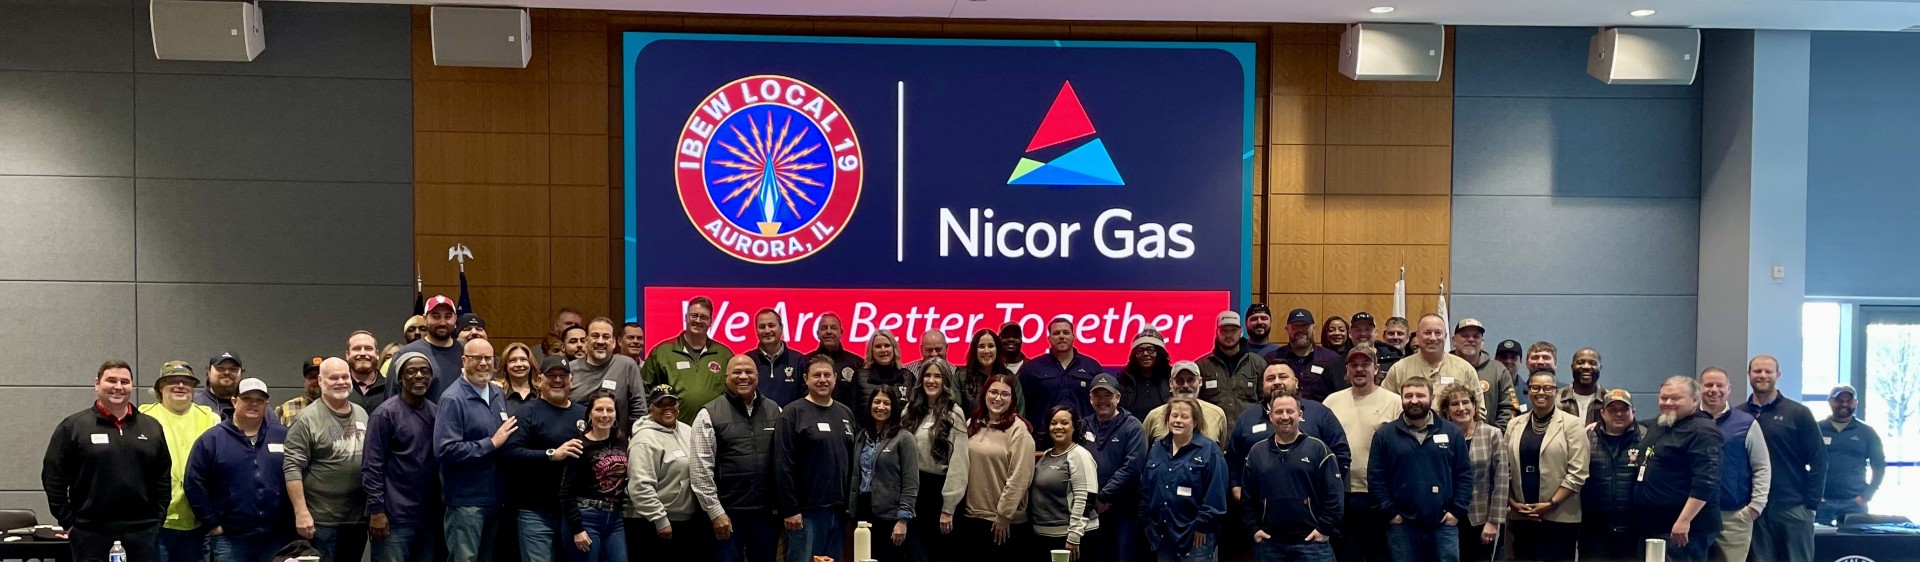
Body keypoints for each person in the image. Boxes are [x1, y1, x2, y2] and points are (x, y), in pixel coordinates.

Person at [44, 361, 173, 562]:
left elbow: (163, 477)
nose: (118, 387)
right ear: (97, 384)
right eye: (111, 380)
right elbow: (53, 478)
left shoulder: (151, 427)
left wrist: (158, 519)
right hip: (90, 534)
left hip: (143, 533)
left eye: (125, 382)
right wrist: (69, 523)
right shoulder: (73, 426)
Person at [186, 378, 292, 562]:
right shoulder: (212, 439)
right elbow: (194, 483)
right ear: (234, 401)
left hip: (276, 539)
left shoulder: (282, 435)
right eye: (247, 398)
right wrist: (212, 524)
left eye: (259, 400)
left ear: (266, 404)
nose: (254, 404)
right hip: (230, 540)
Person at [691, 355, 782, 562]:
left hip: (766, 515)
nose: (743, 377)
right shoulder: (708, 414)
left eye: (749, 372)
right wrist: (716, 512)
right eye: (737, 372)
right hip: (727, 514)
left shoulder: (775, 411)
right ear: (726, 377)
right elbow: (700, 471)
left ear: (757, 376)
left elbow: (783, 463)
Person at [1369, 377, 1470, 562]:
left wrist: (1457, 511)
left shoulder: (1452, 432)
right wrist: (1391, 513)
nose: (1414, 400)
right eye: (1408, 396)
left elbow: (1464, 475)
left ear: (1432, 397)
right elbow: (1376, 478)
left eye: (1420, 395)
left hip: (1444, 524)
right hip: (1401, 525)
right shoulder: (1385, 435)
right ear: (1401, 398)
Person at [436, 338, 515, 562]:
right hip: (466, 502)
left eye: (488, 358)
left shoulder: (497, 393)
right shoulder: (452, 399)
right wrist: (491, 443)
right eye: (476, 358)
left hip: (495, 497)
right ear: (464, 360)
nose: (483, 363)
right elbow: (445, 450)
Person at [1740, 354, 1825, 562]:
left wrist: (1811, 505)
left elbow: (1819, 460)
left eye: (1768, 371)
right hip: (1753, 509)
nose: (1762, 375)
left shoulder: (1798, 413)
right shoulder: (1739, 415)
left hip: (1792, 507)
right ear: (1749, 374)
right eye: (1757, 371)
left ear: (1778, 374)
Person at [284, 358, 371, 562]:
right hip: (322, 521)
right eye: (334, 378)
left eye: (345, 376)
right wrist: (301, 512)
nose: (341, 382)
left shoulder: (361, 413)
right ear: (321, 381)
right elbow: (292, 467)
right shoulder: (307, 419)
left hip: (357, 518)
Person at [1228, 364, 1350, 509]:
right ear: (1262, 386)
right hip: (1260, 508)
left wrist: (1328, 490)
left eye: (1283, 377)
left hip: (1311, 508)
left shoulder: (1320, 413)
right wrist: (1236, 488)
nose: (1277, 382)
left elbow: (1340, 454)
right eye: (1270, 378)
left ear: (1296, 382)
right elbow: (1233, 459)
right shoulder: (1248, 417)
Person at [503, 356, 588, 562]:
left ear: (571, 380)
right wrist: (551, 454)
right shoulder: (527, 413)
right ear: (540, 380)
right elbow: (509, 453)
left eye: (563, 375)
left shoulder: (584, 413)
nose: (557, 380)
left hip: (575, 513)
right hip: (535, 510)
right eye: (551, 375)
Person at [774, 357, 859, 561]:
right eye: (816, 375)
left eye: (827, 375)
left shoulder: (845, 413)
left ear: (835, 378)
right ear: (806, 379)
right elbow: (782, 465)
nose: (822, 380)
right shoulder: (792, 413)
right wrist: (791, 509)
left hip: (839, 512)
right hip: (805, 514)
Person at [1240, 394, 1342, 562]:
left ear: (1300, 415)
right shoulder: (1256, 452)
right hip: (1268, 544)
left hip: (1312, 544)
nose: (1285, 416)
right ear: (1270, 416)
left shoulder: (1319, 450)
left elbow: (1334, 496)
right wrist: (1253, 529)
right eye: (1279, 412)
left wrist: (1324, 529)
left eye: (1290, 411)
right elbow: (1247, 497)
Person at [1322, 346, 1399, 562]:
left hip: (1379, 494)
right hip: (1342, 493)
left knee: (1380, 554)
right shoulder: (1331, 402)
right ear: (1346, 370)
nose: (1359, 369)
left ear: (1376, 368)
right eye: (1353, 365)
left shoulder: (1394, 402)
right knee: (1347, 555)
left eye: (1365, 364)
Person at [1634, 376, 1723, 562]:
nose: (1668, 403)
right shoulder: (1663, 424)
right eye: (1664, 398)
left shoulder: (1703, 431)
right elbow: (1634, 424)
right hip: (1654, 526)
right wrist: (1599, 425)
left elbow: (1706, 482)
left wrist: (1684, 520)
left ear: (1695, 400)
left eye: (1675, 398)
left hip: (1684, 531)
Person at [1503, 371, 1588, 562]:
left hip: (1560, 516)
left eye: (1548, 388)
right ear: (1528, 391)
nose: (1541, 392)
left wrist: (1550, 504)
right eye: (1535, 387)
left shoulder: (1572, 425)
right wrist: (1512, 502)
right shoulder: (1514, 424)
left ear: (1556, 392)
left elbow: (1578, 473)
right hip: (1522, 515)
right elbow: (1504, 468)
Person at [365, 352, 442, 562]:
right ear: (400, 378)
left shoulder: (436, 413)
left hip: (428, 517)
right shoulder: (384, 414)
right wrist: (377, 511)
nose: (419, 376)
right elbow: (372, 466)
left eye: (424, 371)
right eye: (411, 371)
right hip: (393, 517)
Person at [142, 361, 221, 562]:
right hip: (157, 522)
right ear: (160, 387)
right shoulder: (143, 417)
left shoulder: (210, 418)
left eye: (186, 381)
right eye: (172, 381)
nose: (180, 385)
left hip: (198, 522)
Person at [629, 384, 716, 561]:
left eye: (672, 403)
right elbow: (640, 486)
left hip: (687, 520)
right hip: (656, 523)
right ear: (650, 408)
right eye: (660, 404)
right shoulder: (644, 440)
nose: (667, 408)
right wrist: (660, 519)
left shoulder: (687, 430)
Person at [1141, 397, 1229, 562]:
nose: (1178, 421)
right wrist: (1147, 523)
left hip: (1195, 536)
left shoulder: (1209, 450)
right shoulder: (1158, 448)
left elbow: (1216, 494)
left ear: (1195, 422)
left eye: (1184, 416)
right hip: (1163, 535)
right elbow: (1146, 487)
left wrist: (1202, 525)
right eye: (1174, 416)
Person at [1698, 366, 1771, 562]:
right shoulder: (1688, 420)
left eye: (1720, 385)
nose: (1714, 390)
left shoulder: (1746, 423)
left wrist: (1754, 508)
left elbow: (1762, 467)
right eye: (1709, 385)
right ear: (1699, 388)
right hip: (1693, 516)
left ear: (1729, 389)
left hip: (1733, 517)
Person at [960, 374, 1034, 562]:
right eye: (993, 392)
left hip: (1002, 523)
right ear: (985, 394)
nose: (998, 398)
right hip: (972, 516)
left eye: (1005, 394)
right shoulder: (972, 424)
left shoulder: (1019, 431)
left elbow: (1020, 477)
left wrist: (1004, 514)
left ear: (1012, 399)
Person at [900, 361, 969, 562]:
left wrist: (948, 507)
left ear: (945, 381)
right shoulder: (909, 412)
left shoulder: (954, 414)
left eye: (937, 376)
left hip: (940, 492)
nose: (931, 380)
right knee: (915, 554)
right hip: (913, 492)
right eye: (927, 375)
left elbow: (959, 464)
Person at [1079, 374, 1147, 562]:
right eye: (1097, 396)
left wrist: (1105, 496)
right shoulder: (1083, 425)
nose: (1102, 401)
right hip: (1091, 510)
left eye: (1107, 395)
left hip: (1123, 510)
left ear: (1117, 398)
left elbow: (1132, 467)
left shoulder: (1133, 426)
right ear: (1090, 399)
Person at [1436, 383, 1506, 562]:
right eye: (1454, 404)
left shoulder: (1492, 434)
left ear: (1475, 406)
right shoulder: (1439, 435)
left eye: (1466, 402)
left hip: (1481, 518)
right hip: (1447, 517)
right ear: (1446, 410)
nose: (1461, 408)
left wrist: (1493, 521)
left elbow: (1502, 480)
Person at [562, 391, 629, 562]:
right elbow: (566, 491)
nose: (605, 415)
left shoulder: (623, 443)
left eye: (610, 410)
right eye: (599, 410)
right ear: (590, 415)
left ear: (616, 415)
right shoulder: (579, 446)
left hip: (615, 518)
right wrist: (577, 529)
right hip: (586, 517)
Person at [857, 389, 921, 562]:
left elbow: (911, 482)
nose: (881, 407)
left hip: (891, 517)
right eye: (876, 402)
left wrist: (903, 520)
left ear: (894, 408)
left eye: (886, 403)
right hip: (863, 513)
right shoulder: (862, 436)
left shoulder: (904, 438)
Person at [1581, 389, 1645, 562]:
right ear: (1602, 413)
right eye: (1612, 409)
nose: (1618, 414)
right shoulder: (1586, 437)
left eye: (1624, 409)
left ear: (1633, 412)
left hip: (1634, 533)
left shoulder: (1646, 438)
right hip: (1594, 533)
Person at [1019, 317, 1105, 445]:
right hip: (1043, 441)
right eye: (1056, 333)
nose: (1061, 336)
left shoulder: (1092, 367)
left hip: (1084, 440)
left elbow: (1102, 403)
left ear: (1073, 336)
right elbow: (1021, 407)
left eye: (1066, 332)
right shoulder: (1032, 368)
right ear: (1049, 338)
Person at [642, 296, 733, 414]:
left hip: (715, 424)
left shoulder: (724, 354)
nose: (698, 320)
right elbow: (644, 391)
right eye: (694, 316)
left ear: (711, 322)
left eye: (704, 317)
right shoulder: (662, 352)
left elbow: (734, 392)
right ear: (686, 317)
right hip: (672, 424)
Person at [1030, 405, 1097, 560]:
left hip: (1069, 538)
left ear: (1074, 427)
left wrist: (1074, 536)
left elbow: (1086, 498)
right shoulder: (1046, 455)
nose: (1058, 427)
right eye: (1053, 423)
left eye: (1064, 423)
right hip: (1043, 534)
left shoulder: (1080, 455)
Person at [1818, 385, 1885, 526]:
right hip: (1821, 503)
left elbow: (1879, 465)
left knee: (1854, 540)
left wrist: (1866, 495)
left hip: (1855, 503)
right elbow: (1800, 462)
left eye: (1848, 400)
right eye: (1839, 400)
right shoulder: (1816, 429)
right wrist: (1812, 493)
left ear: (1856, 403)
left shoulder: (1867, 432)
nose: (1844, 404)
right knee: (1820, 540)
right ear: (1830, 401)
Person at [1382, 315, 1477, 413]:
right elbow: (1385, 407)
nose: (1433, 338)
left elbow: (1478, 410)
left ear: (1445, 336)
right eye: (1427, 333)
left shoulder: (1465, 369)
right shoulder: (1399, 369)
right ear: (1417, 336)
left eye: (1438, 333)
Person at [572, 318, 647, 434]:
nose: (600, 341)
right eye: (595, 336)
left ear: (614, 342)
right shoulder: (570, 369)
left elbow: (639, 409)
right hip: (576, 440)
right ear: (586, 341)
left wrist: (635, 438)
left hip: (617, 441)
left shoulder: (626, 366)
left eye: (606, 337)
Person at [1198, 311, 1267, 426]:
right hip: (1213, 432)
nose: (1229, 335)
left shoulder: (1258, 364)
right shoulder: (1202, 366)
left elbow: (1265, 402)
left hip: (1248, 431)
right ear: (1216, 332)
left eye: (1233, 330)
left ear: (1241, 332)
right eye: (1224, 331)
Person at [391, 296, 464, 400]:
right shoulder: (406, 353)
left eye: (448, 316)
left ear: (455, 319)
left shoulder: (466, 351)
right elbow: (391, 399)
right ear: (425, 319)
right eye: (436, 316)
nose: (442, 322)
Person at [1265, 309, 1346, 402]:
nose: (1300, 330)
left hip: (1320, 410)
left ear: (1314, 328)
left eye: (1305, 326)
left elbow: (1339, 393)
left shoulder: (1331, 358)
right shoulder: (1272, 358)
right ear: (1287, 329)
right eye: (1295, 326)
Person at [1449, 319, 1518, 428]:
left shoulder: (1498, 370)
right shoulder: (1443, 368)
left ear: (1482, 342)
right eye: (1465, 336)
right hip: (1448, 435)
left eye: (1476, 336)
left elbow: (1509, 408)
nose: (1471, 339)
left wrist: (1496, 434)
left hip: (1488, 436)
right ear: (1454, 341)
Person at [1144, 362, 1230, 444]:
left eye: (1191, 380)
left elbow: (1220, 450)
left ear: (1200, 382)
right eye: (1179, 380)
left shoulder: (1216, 414)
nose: (1185, 385)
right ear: (1171, 383)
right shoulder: (1154, 416)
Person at [746, 309, 811, 408]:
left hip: (791, 417)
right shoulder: (747, 361)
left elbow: (807, 398)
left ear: (781, 328)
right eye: (762, 327)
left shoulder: (800, 362)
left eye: (771, 325)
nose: (767, 331)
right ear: (756, 331)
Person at [807, 312, 864, 407]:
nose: (829, 331)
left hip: (848, 415)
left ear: (841, 333)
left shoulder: (857, 363)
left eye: (833, 328)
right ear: (817, 333)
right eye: (824, 328)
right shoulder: (806, 362)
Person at [1119, 328, 1173, 423]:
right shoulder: (1124, 379)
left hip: (1165, 429)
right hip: (1132, 430)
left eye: (1150, 350)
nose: (1145, 354)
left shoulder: (1171, 378)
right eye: (1140, 350)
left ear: (1159, 352)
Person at [860, 329, 914, 407]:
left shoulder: (908, 377)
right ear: (871, 350)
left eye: (887, 345)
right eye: (878, 346)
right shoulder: (859, 377)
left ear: (894, 348)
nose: (883, 350)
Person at [1555, 348, 1606, 425]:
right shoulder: (1555, 398)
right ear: (1572, 367)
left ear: (1600, 368)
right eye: (1580, 362)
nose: (1586, 367)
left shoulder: (1609, 401)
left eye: (1592, 363)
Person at [349, 331, 391, 411]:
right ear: (347, 355)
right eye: (357, 349)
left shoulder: (391, 388)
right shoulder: (339, 388)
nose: (362, 353)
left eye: (368, 348)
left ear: (377, 354)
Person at [197, 352, 244, 420]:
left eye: (233, 369)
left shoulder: (250, 404)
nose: (227, 372)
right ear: (209, 372)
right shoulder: (193, 402)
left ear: (241, 374)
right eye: (220, 368)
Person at [280, 357, 326, 425]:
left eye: (322, 377)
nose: (317, 381)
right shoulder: (286, 408)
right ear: (304, 382)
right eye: (313, 377)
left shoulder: (338, 409)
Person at [499, 343, 540, 410]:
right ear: (505, 366)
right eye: (513, 360)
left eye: (523, 359)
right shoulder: (497, 392)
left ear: (531, 363)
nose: (519, 364)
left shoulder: (541, 391)